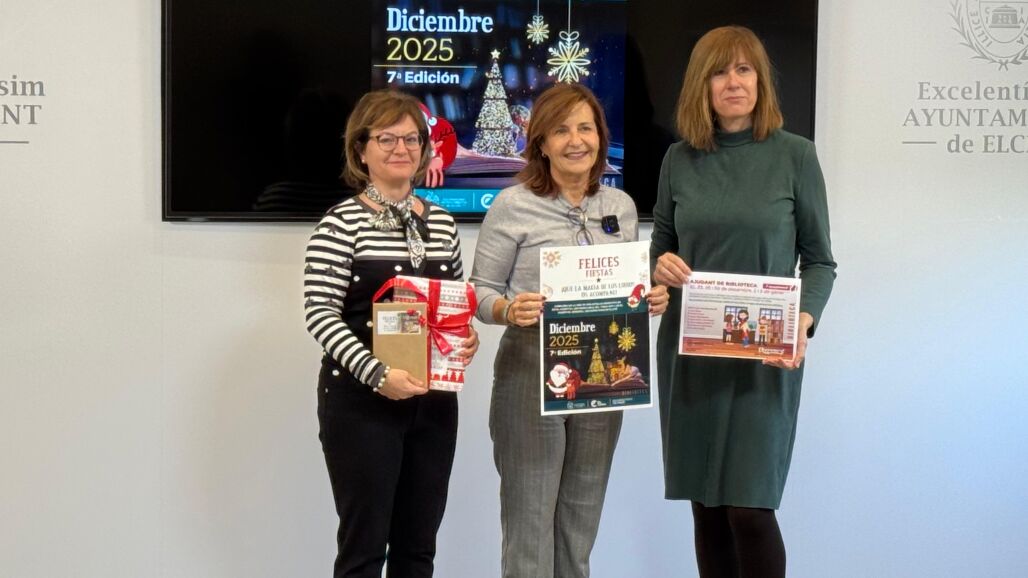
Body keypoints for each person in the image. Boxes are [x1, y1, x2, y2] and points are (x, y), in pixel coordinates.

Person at [650, 26, 837, 578]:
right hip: (690, 352)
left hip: (764, 356)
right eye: (719, 72)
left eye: (744, 69)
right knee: (707, 508)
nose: (733, 82)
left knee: (750, 510)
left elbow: (820, 261)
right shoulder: (677, 160)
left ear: (760, 80)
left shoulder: (796, 156)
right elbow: (661, 247)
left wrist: (803, 322)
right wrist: (659, 268)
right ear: (701, 86)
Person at [469, 83, 669, 578]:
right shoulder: (512, 205)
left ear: (601, 137)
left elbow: (624, 287)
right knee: (530, 524)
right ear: (540, 142)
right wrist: (508, 310)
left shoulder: (620, 205)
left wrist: (648, 299)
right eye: (561, 130)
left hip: (604, 375)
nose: (576, 140)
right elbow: (480, 292)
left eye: (586, 128)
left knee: (579, 526)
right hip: (529, 371)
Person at [303, 89, 479, 578]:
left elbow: (453, 304)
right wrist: (378, 374)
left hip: (434, 402)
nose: (401, 148)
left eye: (411, 139)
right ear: (361, 150)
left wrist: (465, 338)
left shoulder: (442, 222)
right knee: (362, 551)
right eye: (386, 139)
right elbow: (320, 313)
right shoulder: (340, 223)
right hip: (361, 402)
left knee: (418, 550)